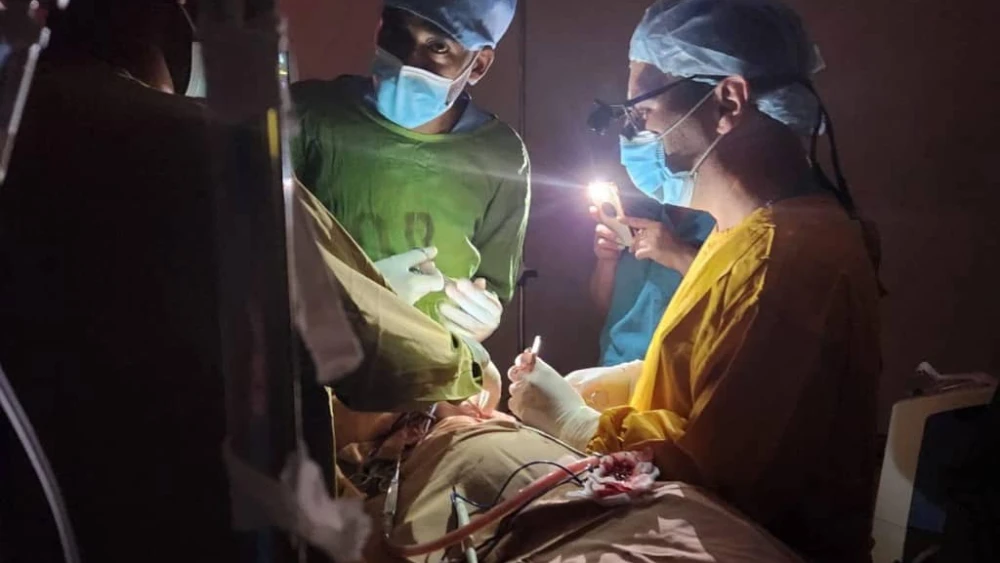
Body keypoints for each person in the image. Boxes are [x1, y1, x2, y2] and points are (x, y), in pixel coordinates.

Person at [507, 1, 882, 561]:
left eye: (641, 112)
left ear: (727, 101)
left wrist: (579, 423)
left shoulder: (787, 259)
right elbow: (713, 381)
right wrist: (626, 385)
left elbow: (718, 476)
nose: (630, 133)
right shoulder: (745, 233)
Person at [292, 0, 529, 345]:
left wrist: (479, 319)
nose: (408, 61)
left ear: (478, 64)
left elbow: (491, 284)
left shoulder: (502, 156)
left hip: (429, 372)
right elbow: (252, 257)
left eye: (438, 46)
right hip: (320, 366)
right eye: (397, 34)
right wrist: (353, 298)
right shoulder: (307, 116)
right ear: (379, 28)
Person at [590, 195, 714, 368]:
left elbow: (739, 309)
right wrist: (606, 261)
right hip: (608, 370)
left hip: (668, 383)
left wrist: (680, 255)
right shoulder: (640, 214)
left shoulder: (731, 226)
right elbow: (604, 307)